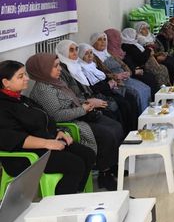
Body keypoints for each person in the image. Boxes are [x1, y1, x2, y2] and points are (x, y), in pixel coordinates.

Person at [27, 53, 124, 191]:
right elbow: (57, 116)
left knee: (116, 126)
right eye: (55, 66)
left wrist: (86, 103)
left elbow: (73, 100)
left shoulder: (57, 82)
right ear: (42, 69)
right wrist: (83, 109)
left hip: (80, 115)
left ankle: (112, 166)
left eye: (59, 65)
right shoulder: (43, 90)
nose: (59, 69)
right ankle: (104, 173)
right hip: (71, 124)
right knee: (106, 134)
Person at [0, 60, 96, 195]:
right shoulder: (3, 107)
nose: (27, 79)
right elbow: (14, 138)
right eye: (21, 76)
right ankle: (59, 206)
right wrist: (47, 143)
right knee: (75, 164)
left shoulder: (22, 100)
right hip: (23, 157)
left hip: (44, 145)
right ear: (6, 82)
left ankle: (75, 194)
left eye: (25, 74)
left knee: (88, 154)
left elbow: (44, 119)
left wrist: (58, 132)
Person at [56, 40, 138, 133]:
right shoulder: (63, 71)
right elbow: (70, 95)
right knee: (114, 114)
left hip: (91, 98)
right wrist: (88, 102)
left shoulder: (76, 66)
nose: (75, 53)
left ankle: (129, 133)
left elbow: (96, 81)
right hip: (82, 105)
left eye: (76, 50)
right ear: (63, 52)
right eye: (71, 50)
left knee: (126, 102)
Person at [101, 29, 159, 96]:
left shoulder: (119, 50)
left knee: (149, 79)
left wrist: (132, 70)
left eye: (104, 39)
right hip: (120, 78)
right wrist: (133, 71)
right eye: (117, 38)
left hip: (129, 73)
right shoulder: (120, 49)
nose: (119, 39)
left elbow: (126, 64)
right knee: (143, 86)